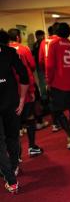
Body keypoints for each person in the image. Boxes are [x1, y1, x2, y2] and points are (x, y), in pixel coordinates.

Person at [0, 30, 29, 193]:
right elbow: (24, 76)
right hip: (11, 101)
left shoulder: (10, 52)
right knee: (12, 137)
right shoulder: (10, 52)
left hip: (10, 102)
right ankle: (14, 167)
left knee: (0, 142)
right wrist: (22, 99)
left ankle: (11, 180)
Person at [8, 28, 43, 156]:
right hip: (24, 89)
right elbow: (31, 66)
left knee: (13, 123)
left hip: (9, 92)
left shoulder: (4, 51)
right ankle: (32, 146)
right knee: (30, 118)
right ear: (18, 37)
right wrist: (32, 90)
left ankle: (16, 154)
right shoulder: (24, 49)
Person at [46, 22, 70, 149]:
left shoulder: (54, 44)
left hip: (59, 83)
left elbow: (49, 66)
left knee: (57, 110)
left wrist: (48, 81)